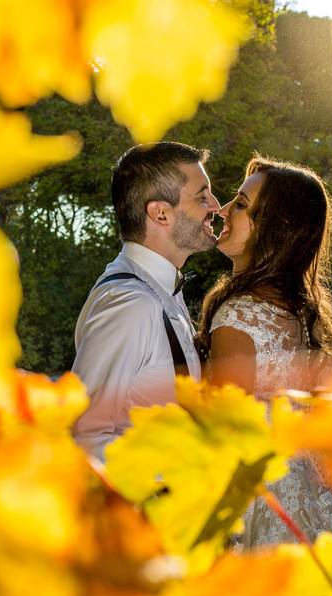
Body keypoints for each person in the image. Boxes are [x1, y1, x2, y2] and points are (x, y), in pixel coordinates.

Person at [198, 155, 332, 548]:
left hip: (265, 505)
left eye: (241, 205)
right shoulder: (298, 309)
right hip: (316, 499)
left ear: (274, 230)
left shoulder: (237, 316)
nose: (224, 210)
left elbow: (227, 441)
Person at [72, 142, 221, 462]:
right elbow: (83, 437)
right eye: (202, 196)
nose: (216, 206)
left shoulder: (162, 290)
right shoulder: (130, 305)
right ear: (160, 213)